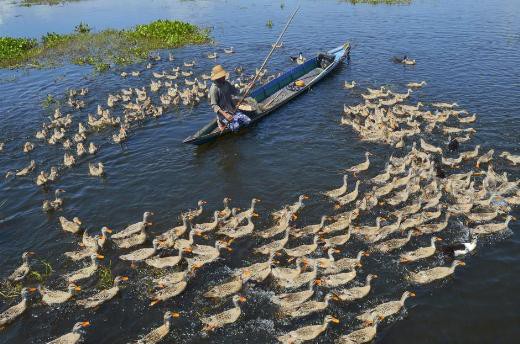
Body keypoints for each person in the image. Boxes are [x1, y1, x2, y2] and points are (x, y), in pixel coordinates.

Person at [209, 64, 251, 132]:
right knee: (236, 127)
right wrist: (225, 115)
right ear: (218, 78)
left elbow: (236, 91)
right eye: (223, 76)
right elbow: (214, 105)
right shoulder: (214, 89)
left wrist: (246, 88)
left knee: (247, 121)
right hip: (223, 114)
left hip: (232, 110)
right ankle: (220, 122)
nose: (225, 76)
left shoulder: (226, 83)